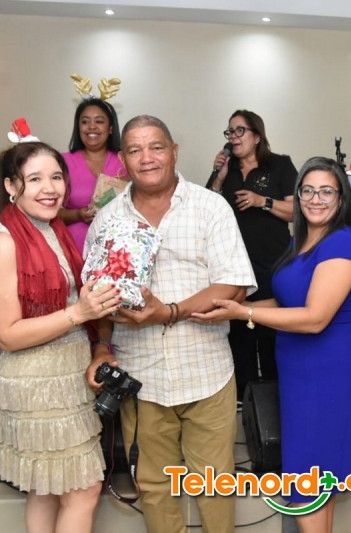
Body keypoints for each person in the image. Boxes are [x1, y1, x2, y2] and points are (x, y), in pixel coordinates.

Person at [84, 115, 255, 533]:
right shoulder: (107, 220)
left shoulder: (210, 207)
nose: (147, 158)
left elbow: (234, 285)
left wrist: (170, 312)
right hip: (141, 378)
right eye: (135, 150)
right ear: (123, 159)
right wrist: (102, 347)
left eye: (156, 147)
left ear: (174, 152)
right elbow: (95, 297)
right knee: (153, 486)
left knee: (214, 486)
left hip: (206, 372)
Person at [195, 157, 351, 533]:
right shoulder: (301, 241)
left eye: (326, 191)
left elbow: (315, 317)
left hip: (328, 375)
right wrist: (234, 307)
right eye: (308, 190)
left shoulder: (342, 242)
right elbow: (286, 301)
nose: (316, 199)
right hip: (298, 374)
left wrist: (244, 313)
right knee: (316, 486)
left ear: (341, 198)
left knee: (308, 490)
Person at [0, 140, 122, 533]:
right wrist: (80, 313)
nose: (49, 188)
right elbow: (6, 335)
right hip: (35, 387)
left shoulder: (54, 229)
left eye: (56, 177)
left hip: (68, 379)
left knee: (46, 489)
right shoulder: (3, 243)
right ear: (11, 186)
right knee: (83, 489)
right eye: (35, 179)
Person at [205, 110, 297, 404]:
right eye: (229, 132)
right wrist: (218, 180)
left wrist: (262, 201)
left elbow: (297, 211)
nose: (233, 137)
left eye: (239, 130)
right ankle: (244, 406)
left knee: (271, 335)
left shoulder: (279, 165)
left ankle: (275, 404)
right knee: (238, 336)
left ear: (257, 136)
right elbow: (205, 212)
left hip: (273, 263)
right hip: (234, 267)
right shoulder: (227, 171)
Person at [60, 97, 126, 251]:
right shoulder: (61, 162)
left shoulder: (125, 161)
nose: (91, 127)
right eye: (85, 122)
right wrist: (77, 215)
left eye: (99, 121)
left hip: (117, 250)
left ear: (111, 128)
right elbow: (48, 212)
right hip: (72, 249)